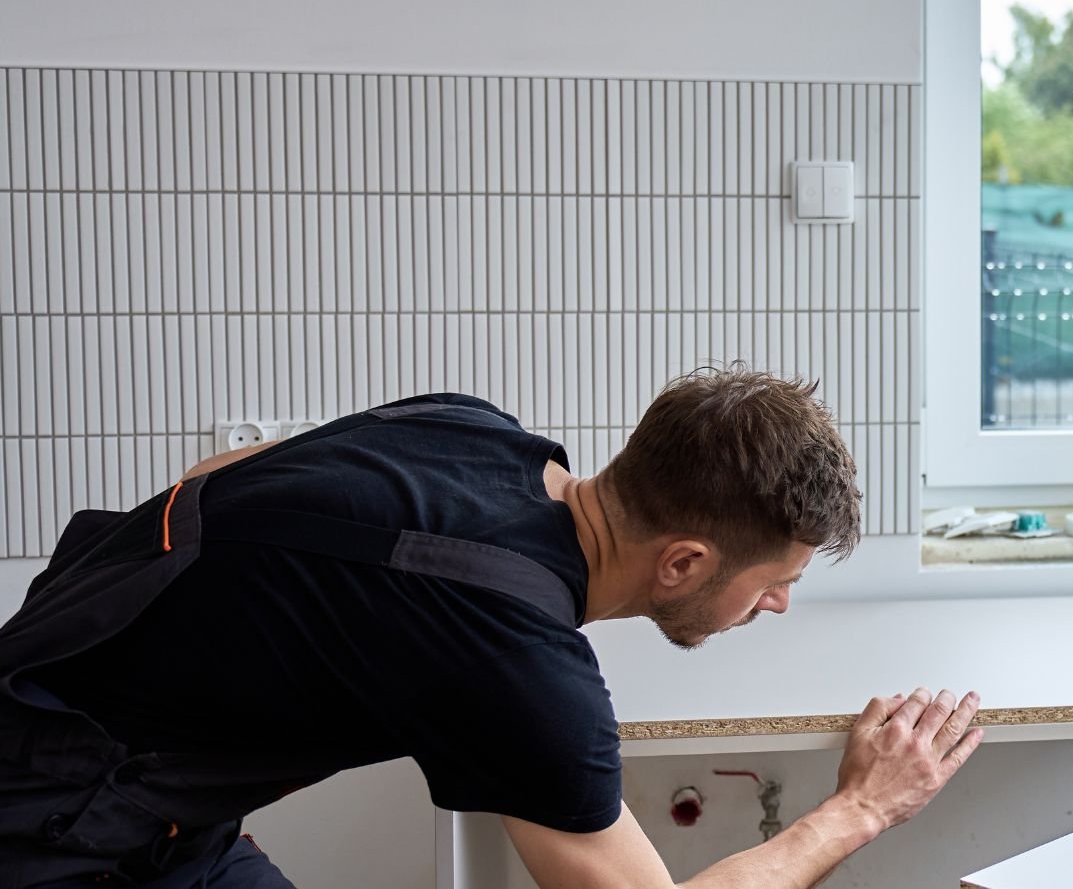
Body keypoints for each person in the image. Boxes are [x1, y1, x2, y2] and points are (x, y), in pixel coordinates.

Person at [0, 367, 982, 887]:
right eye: (774, 583)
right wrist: (863, 807)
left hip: (141, 795)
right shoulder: (523, 669)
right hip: (55, 837)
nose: (777, 607)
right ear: (684, 561)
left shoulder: (475, 430)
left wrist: (218, 679)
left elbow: (229, 477)